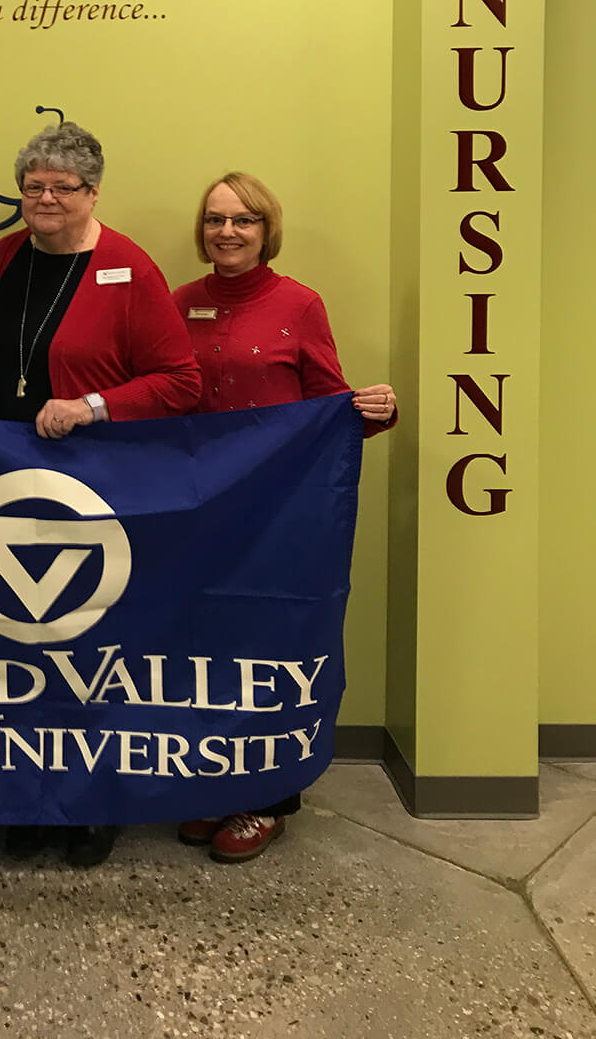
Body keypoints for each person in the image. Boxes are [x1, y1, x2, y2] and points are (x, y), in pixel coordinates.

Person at [0, 121, 203, 868]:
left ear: (92, 193)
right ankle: (24, 798)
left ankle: (91, 805)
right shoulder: (2, 256)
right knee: (14, 649)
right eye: (33, 186)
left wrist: (92, 406)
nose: (45, 198)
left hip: (94, 491)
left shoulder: (128, 268)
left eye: (63, 187)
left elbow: (181, 382)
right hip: (4, 482)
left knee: (87, 654)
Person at [172, 170, 397, 864]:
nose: (228, 232)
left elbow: (328, 403)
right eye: (215, 220)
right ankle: (214, 781)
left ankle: (266, 799)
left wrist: (373, 412)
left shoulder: (299, 304)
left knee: (266, 649)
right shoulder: (178, 303)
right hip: (197, 511)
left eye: (244, 220)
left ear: (268, 230)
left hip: (276, 517)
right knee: (204, 649)